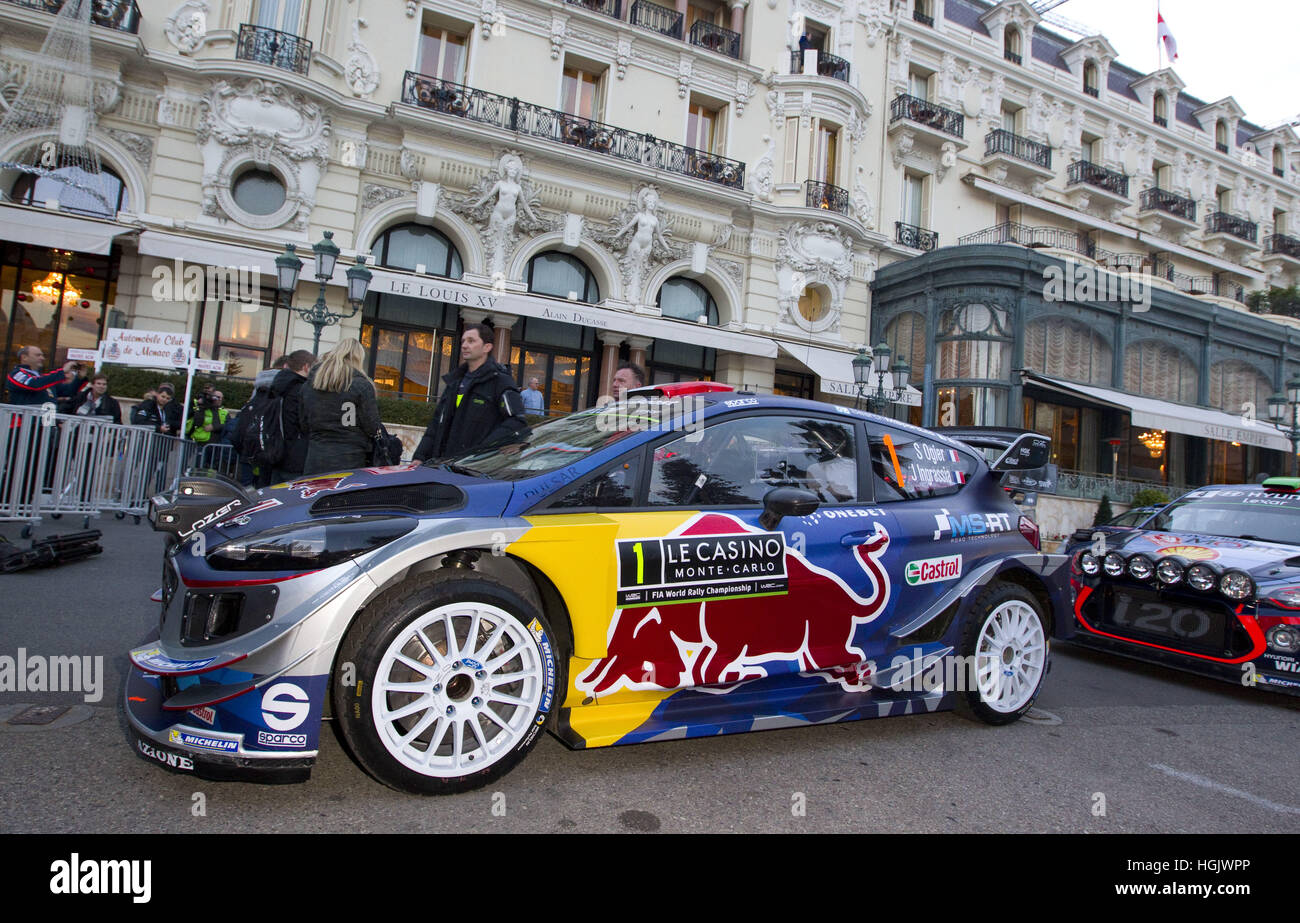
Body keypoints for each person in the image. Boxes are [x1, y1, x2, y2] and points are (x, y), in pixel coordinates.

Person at [414, 323, 528, 462]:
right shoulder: (455, 382)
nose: (464, 345)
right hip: (442, 466)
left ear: (487, 347)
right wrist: (420, 456)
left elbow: (517, 421)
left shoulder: (500, 381)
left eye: (471, 341)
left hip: (472, 471)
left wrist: (482, 450)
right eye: (463, 341)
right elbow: (436, 424)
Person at [301, 338, 382, 475]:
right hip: (351, 457)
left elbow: (303, 423)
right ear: (358, 358)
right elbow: (372, 426)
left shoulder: (310, 385)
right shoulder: (361, 385)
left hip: (315, 456)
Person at [269, 349, 314, 483]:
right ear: (306, 367)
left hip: (275, 450)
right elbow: (305, 422)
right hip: (296, 454)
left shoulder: (278, 384)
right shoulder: (301, 389)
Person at [6, 346, 76, 407]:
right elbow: (34, 384)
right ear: (24, 357)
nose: (42, 358)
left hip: (45, 420)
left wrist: (80, 378)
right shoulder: (17, 374)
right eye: (38, 355)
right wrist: (62, 371)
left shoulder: (42, 377)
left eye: (42, 355)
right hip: (25, 420)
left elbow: (68, 391)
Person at [187, 388, 230, 467]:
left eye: (221, 398)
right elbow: (197, 422)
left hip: (217, 445)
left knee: (212, 470)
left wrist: (214, 427)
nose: (219, 399)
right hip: (202, 444)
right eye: (217, 397)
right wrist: (202, 407)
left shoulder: (224, 412)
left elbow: (229, 425)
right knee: (200, 467)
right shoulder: (203, 409)